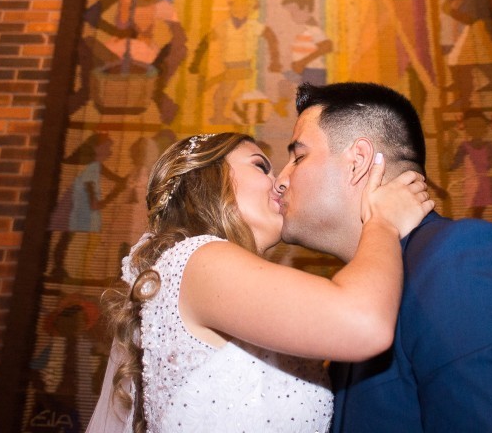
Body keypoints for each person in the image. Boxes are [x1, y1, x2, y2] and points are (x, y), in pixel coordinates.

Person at [274, 82, 492, 432]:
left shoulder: (461, 260)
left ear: (358, 161)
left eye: (298, 157)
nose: (281, 179)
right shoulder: (361, 299)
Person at [86, 131, 433, 432]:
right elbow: (363, 324)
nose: (280, 181)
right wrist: (382, 222)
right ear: (209, 179)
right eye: (260, 166)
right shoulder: (198, 261)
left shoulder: (216, 281)